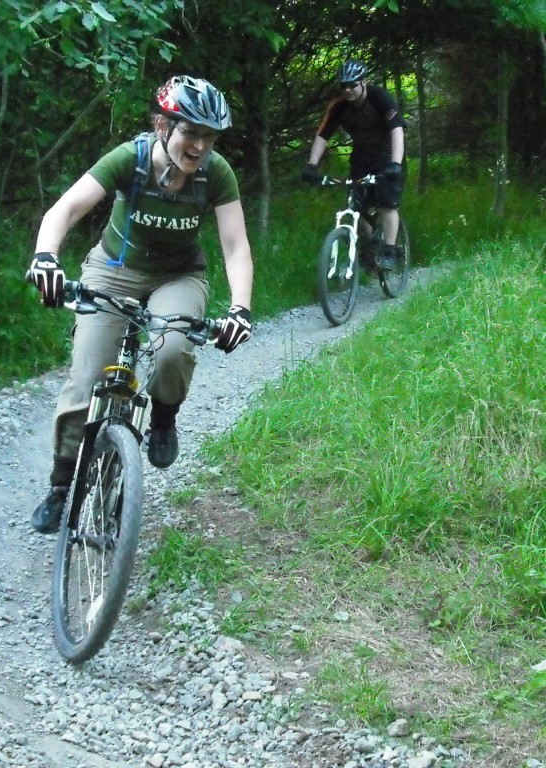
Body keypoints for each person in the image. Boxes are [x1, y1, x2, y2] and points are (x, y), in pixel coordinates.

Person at [25, 75, 254, 534]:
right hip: (114, 269)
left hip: (179, 276)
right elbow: (65, 210)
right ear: (162, 126)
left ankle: (163, 417)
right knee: (87, 376)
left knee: (173, 349)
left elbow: (235, 246)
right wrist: (45, 258)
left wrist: (240, 310)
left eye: (209, 137)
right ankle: (59, 485)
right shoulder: (129, 159)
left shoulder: (216, 173)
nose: (199, 147)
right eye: (190, 133)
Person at [302, 59, 406, 270]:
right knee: (356, 206)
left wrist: (395, 164)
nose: (347, 90)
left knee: (387, 204)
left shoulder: (380, 98)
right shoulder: (338, 106)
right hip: (361, 158)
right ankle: (370, 244)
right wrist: (312, 165)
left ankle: (389, 250)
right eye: (343, 86)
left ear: (364, 82)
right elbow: (323, 135)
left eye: (352, 85)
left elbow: (397, 130)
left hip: (387, 156)